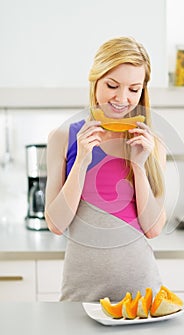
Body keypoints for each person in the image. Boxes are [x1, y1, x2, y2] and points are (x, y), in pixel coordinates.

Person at [45, 36, 166, 302]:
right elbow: (55, 224)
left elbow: (154, 229)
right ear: (95, 82)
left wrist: (138, 165)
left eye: (134, 89)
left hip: (142, 294)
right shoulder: (63, 138)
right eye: (113, 85)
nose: (122, 98)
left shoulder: (150, 144)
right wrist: (81, 160)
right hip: (81, 295)